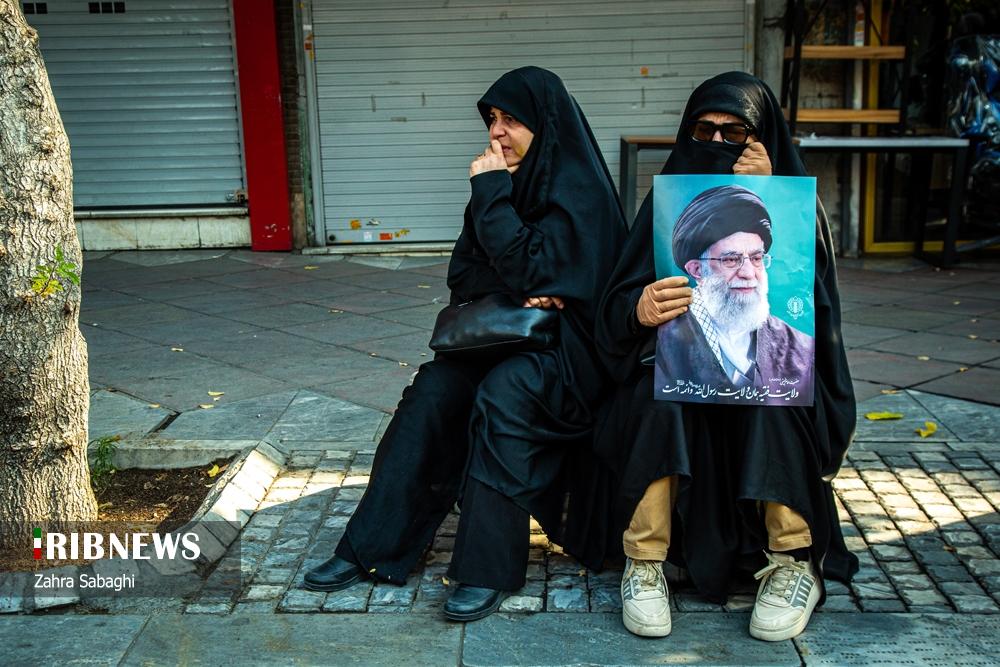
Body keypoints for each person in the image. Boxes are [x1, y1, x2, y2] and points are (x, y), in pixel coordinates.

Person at [303, 66, 627, 622]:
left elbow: (546, 275)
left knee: (507, 392)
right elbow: (465, 277)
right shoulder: (498, 186)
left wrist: (499, 212)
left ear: (546, 125)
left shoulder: (581, 195)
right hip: (497, 342)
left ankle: (485, 568)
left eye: (511, 120)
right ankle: (371, 546)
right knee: (432, 390)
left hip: (568, 358)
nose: (497, 132)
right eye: (492, 119)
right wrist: (525, 279)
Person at [594, 71, 857, 641]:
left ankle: (792, 562)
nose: (716, 143)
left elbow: (818, 306)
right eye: (703, 131)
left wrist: (773, 191)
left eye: (734, 133)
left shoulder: (794, 204)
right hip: (679, 380)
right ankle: (645, 561)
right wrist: (638, 309)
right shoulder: (665, 207)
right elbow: (613, 309)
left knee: (777, 394)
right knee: (655, 394)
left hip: (769, 387)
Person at [656, 184, 814, 405]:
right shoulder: (664, 340)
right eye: (731, 259)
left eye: (756, 258)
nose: (748, 273)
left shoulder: (800, 347)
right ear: (697, 270)